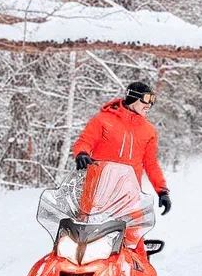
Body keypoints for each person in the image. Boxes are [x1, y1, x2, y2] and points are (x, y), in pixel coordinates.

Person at [72, 81, 170, 216]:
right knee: (86, 226)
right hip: (98, 190)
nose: (149, 105)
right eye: (146, 99)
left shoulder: (149, 130)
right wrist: (82, 153)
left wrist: (162, 191)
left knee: (132, 228)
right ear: (133, 98)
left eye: (152, 100)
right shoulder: (103, 120)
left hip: (128, 195)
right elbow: (85, 141)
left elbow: (151, 164)